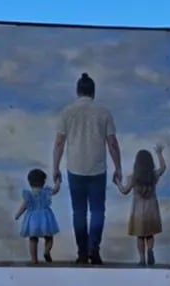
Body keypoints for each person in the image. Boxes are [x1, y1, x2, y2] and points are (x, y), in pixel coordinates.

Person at [51, 72, 123, 265]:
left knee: (79, 212)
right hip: (98, 168)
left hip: (75, 168)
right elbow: (112, 143)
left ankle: (82, 252)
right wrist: (118, 167)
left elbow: (59, 143)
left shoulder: (67, 112)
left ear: (77, 91)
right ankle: (94, 249)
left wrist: (55, 167)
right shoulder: (103, 112)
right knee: (98, 211)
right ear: (93, 92)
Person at [116, 144, 168, 266]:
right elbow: (163, 168)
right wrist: (159, 153)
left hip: (138, 212)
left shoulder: (133, 178)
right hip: (151, 211)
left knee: (140, 236)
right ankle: (150, 250)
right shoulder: (153, 176)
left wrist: (118, 182)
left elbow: (124, 191)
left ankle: (142, 259)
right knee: (149, 234)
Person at [14, 168, 61, 263]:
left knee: (33, 239)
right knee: (49, 237)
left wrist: (18, 215)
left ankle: (34, 259)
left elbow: (24, 206)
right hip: (45, 218)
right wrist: (58, 181)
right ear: (43, 182)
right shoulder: (46, 192)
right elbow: (55, 190)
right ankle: (47, 251)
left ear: (30, 182)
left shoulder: (29, 194)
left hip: (33, 220)